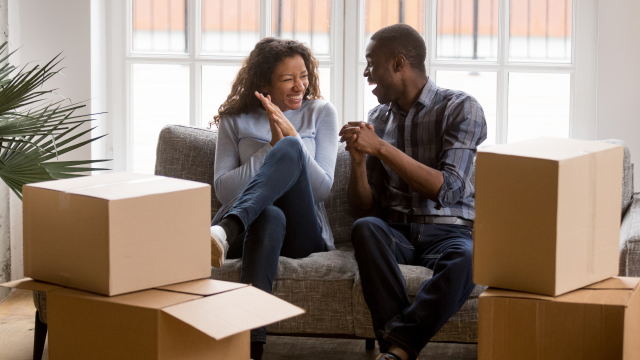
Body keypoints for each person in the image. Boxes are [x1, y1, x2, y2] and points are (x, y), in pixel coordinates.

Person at [339, 24, 487, 360]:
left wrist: (382, 149)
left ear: (398, 63)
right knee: (366, 228)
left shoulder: (461, 108)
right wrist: (360, 162)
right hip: (397, 232)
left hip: (448, 232)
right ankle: (400, 347)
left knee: (471, 257)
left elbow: (448, 189)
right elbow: (363, 209)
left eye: (371, 63)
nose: (365, 72)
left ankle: (397, 348)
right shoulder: (378, 116)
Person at [209, 38, 339, 360]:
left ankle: (225, 229)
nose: (300, 86)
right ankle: (252, 350)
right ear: (265, 81)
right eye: (288, 79)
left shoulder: (321, 113)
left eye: (304, 76)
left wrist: (289, 143)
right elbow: (224, 189)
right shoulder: (234, 119)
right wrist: (269, 147)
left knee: (292, 148)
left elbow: (322, 190)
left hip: (302, 232)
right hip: (254, 230)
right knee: (269, 216)